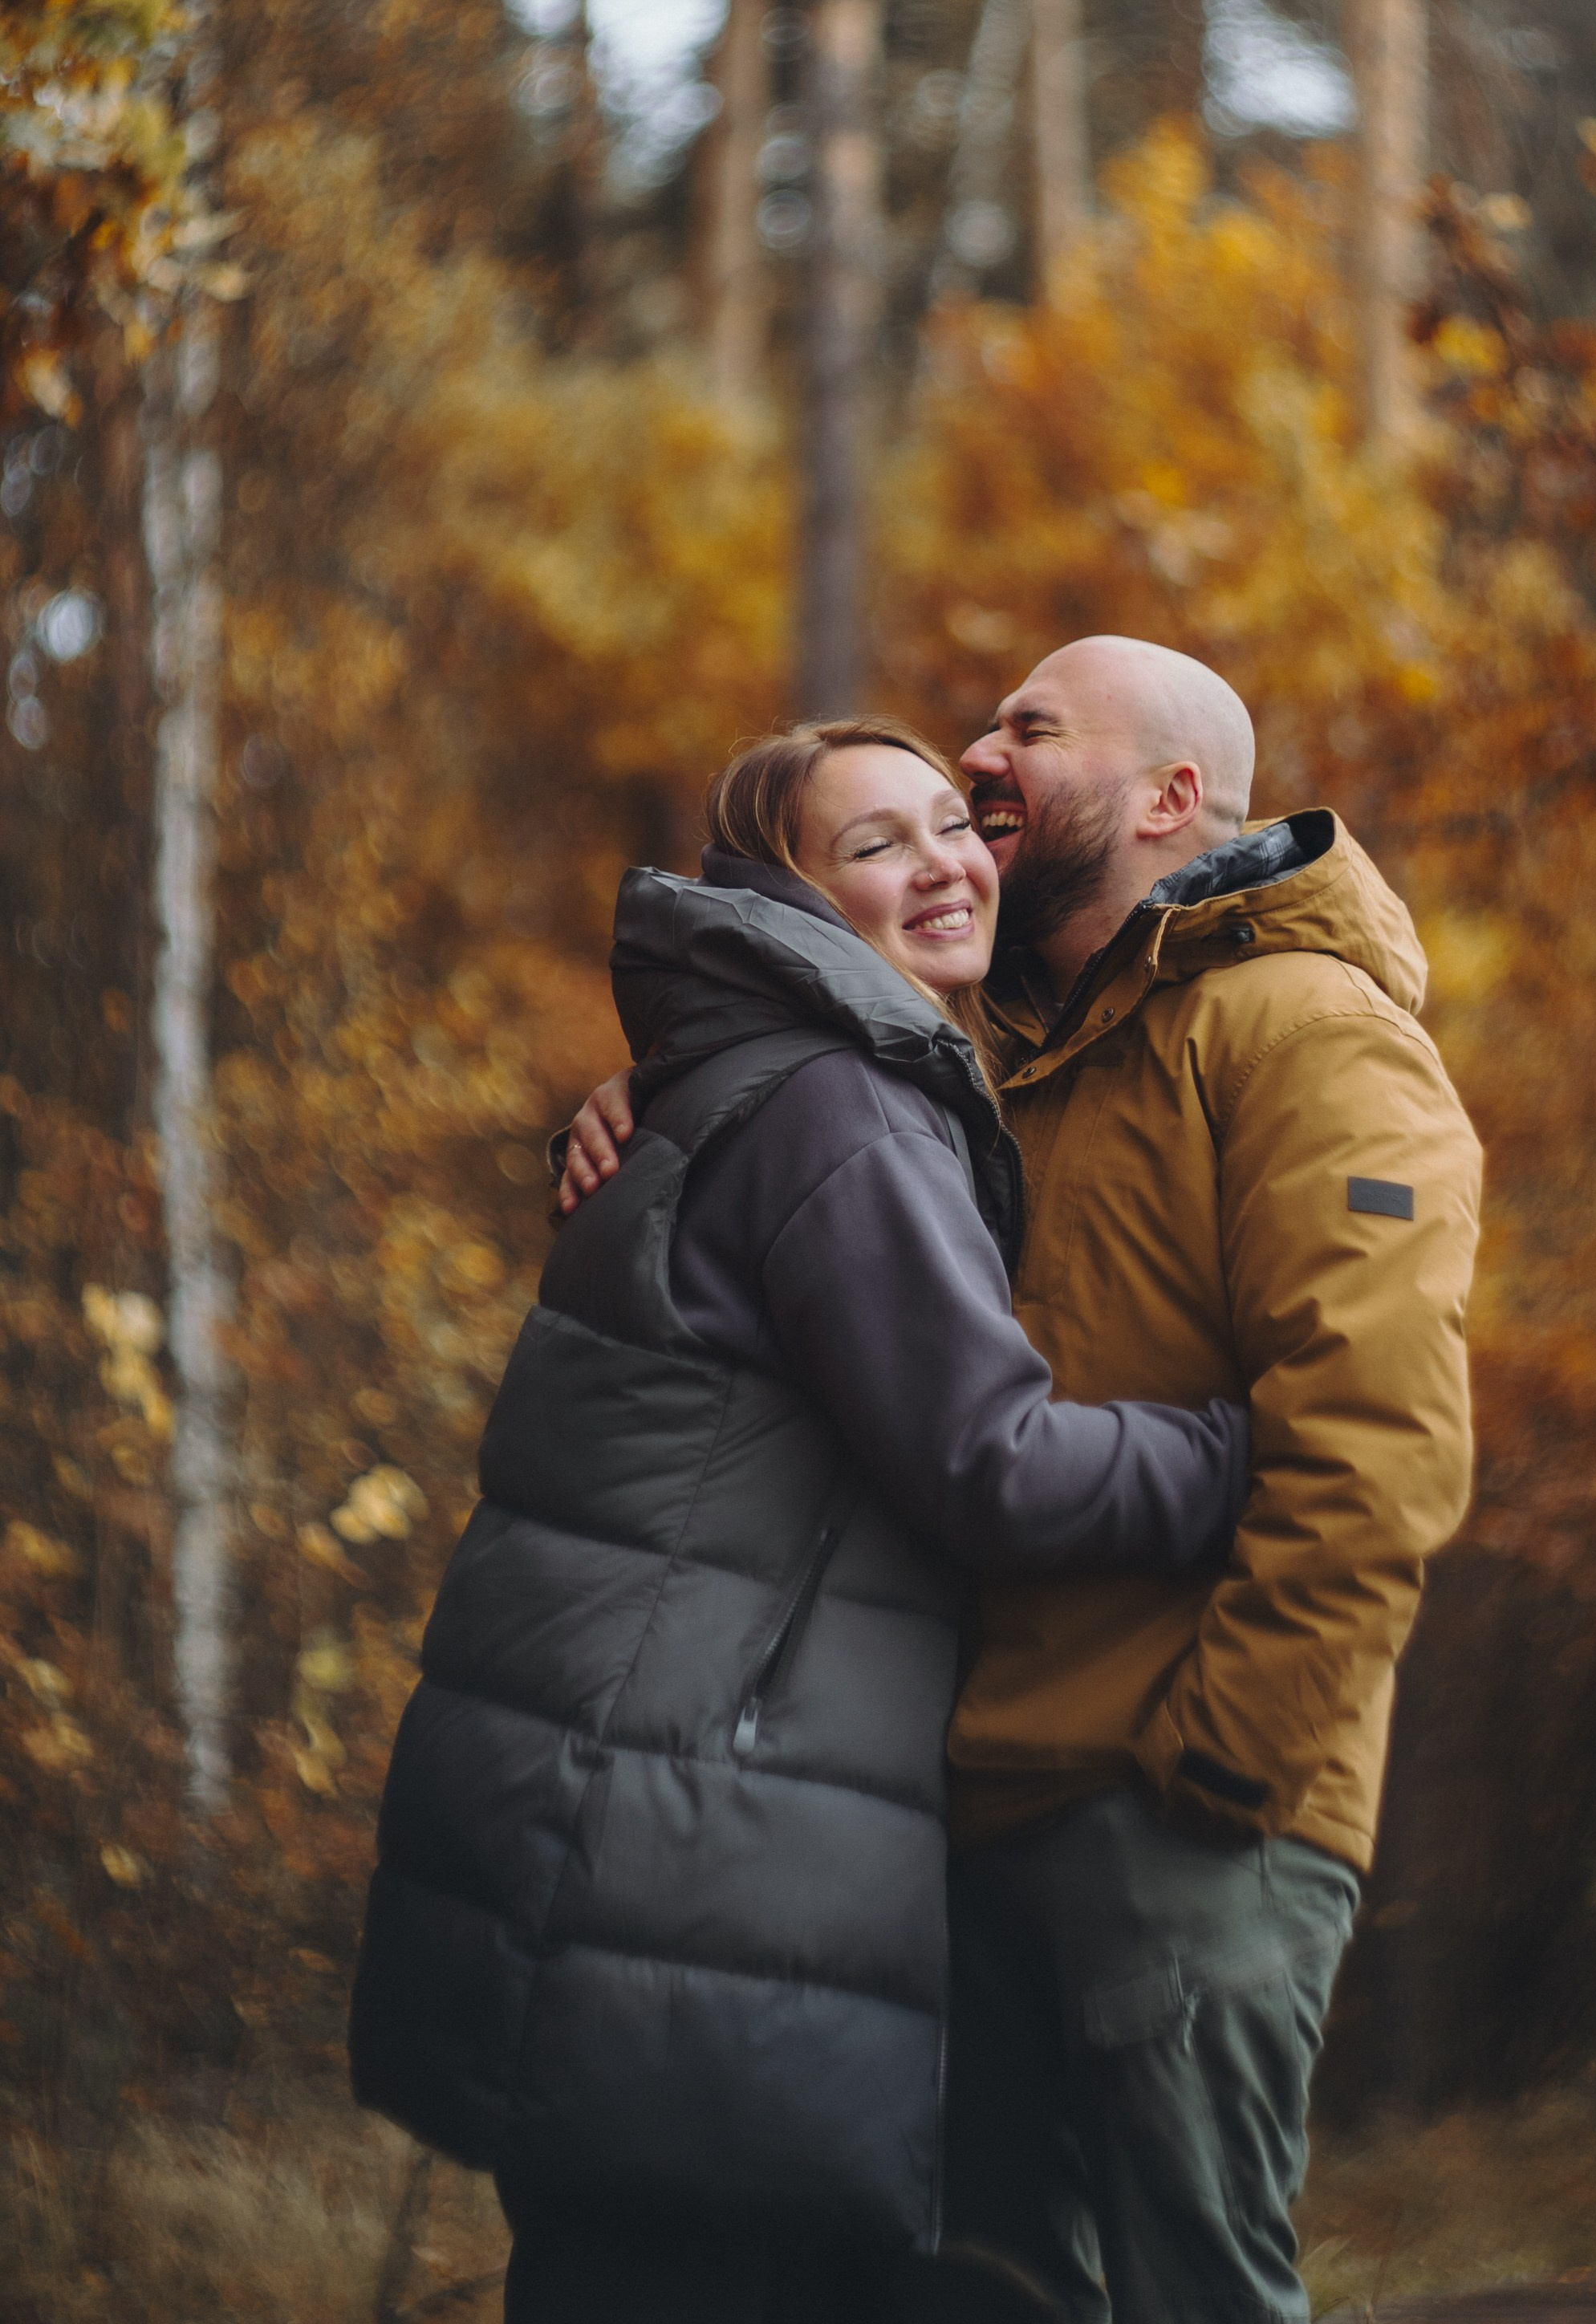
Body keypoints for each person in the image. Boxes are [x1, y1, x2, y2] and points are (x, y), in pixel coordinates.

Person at [560, 639, 1483, 2324]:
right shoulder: (997, 1050)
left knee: (1196, 2292)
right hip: (965, 1813)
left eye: (1028, 730)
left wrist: (1231, 1759)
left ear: (1169, 797)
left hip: (1181, 1808)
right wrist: (654, 1091)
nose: (978, 753)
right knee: (991, 2298)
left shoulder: (1305, 1030)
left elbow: (1381, 1435)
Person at [350, 714, 1253, 2324]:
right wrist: (1244, 1450)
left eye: (950, 824)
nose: (943, 864)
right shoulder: (845, 1110)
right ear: (791, 901)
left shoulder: (753, 1082)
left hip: (615, 1823)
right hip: (692, 1844)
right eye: (875, 846)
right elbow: (990, 1461)